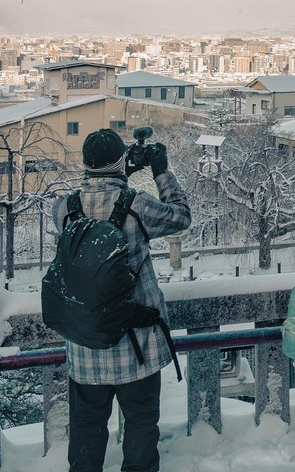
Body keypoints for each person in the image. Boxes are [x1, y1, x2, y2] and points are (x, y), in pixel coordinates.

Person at [52, 128, 191, 472]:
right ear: (120, 162)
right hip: (136, 344)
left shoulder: (63, 208)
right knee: (141, 426)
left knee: (86, 431)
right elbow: (180, 215)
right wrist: (160, 170)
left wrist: (118, 171)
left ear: (86, 164)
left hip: (85, 346)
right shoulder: (137, 205)